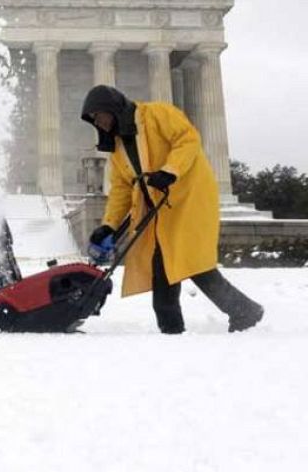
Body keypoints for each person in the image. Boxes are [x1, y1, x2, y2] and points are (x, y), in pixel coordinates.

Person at [81, 85, 264, 334]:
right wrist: (109, 225)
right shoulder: (118, 147)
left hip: (189, 199)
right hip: (161, 209)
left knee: (191, 263)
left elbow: (188, 139)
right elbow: (122, 189)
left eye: (99, 116)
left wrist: (170, 170)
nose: (98, 123)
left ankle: (237, 312)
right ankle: (176, 327)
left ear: (113, 109)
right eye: (93, 120)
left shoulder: (157, 114)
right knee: (166, 267)